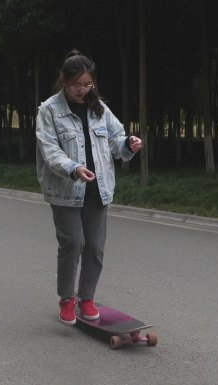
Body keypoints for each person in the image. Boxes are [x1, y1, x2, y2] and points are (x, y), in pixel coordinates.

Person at [35, 50, 142, 325]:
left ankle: (87, 298)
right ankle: (67, 299)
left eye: (87, 84)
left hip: (98, 187)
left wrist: (129, 143)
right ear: (64, 81)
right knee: (73, 242)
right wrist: (73, 168)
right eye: (76, 85)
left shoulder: (100, 109)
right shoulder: (49, 110)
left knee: (94, 246)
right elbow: (50, 150)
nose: (82, 90)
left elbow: (116, 138)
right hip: (65, 188)